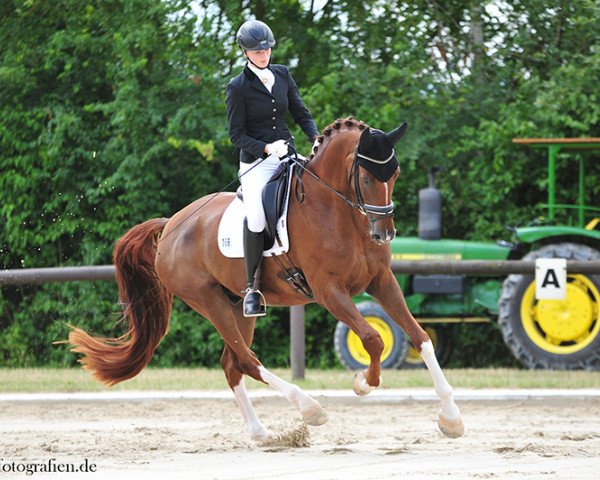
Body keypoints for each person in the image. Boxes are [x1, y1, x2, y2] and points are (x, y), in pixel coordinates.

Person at [226, 19, 320, 317]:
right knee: (255, 218)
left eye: (266, 49)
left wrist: (316, 138)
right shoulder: (237, 87)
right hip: (256, 163)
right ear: (245, 52)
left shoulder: (282, 74)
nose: (263, 54)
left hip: (288, 154)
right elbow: (236, 135)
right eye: (256, 51)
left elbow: (301, 112)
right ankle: (252, 288)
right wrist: (266, 148)